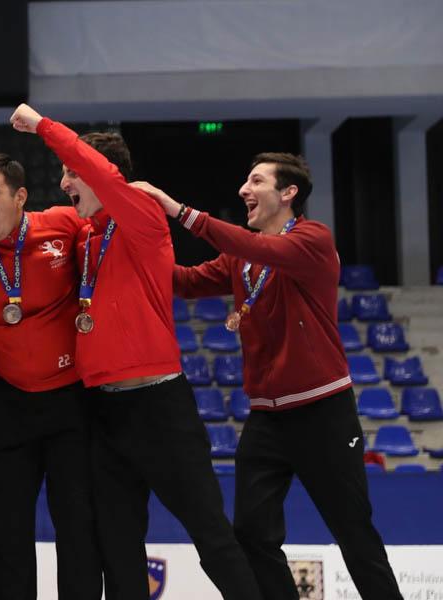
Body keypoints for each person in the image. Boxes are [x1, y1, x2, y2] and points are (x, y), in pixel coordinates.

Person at [11, 103, 261, 600]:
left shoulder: (142, 216)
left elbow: (102, 174)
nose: (64, 184)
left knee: (211, 535)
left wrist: (43, 126)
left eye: (70, 174)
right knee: (118, 545)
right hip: (104, 412)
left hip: (159, 407)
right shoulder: (87, 233)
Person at [134, 154, 404, 600]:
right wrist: (132, 259)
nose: (243, 189)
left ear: (288, 193)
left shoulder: (313, 239)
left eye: (255, 180)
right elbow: (181, 281)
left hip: (323, 411)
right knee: (252, 534)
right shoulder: (241, 261)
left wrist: (176, 208)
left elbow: (258, 247)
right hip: (266, 418)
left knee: (354, 534)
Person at [0, 153, 100, 600]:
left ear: (20, 197)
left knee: (77, 527)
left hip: (70, 405)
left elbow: (109, 222)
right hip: (7, 405)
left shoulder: (62, 223)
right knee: (8, 530)